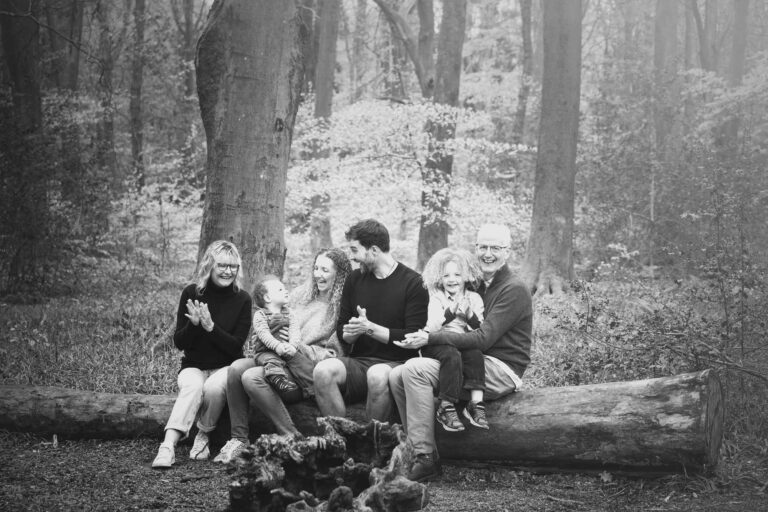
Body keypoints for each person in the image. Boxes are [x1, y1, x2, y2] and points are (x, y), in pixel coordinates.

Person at [390, 224, 533, 482]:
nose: (488, 254)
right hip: (470, 360)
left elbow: (483, 339)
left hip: (500, 368)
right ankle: (414, 449)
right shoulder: (475, 284)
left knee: (413, 370)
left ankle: (426, 459)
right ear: (475, 249)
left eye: (495, 248)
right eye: (483, 247)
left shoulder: (514, 289)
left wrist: (430, 338)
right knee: (397, 375)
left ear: (508, 252)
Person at [214, 248, 352, 463]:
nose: (318, 274)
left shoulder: (341, 308)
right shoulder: (298, 296)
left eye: (325, 270)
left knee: (251, 377)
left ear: (340, 274)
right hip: (276, 355)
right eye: (316, 268)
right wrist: (267, 338)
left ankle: (291, 436)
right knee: (236, 368)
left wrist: (299, 347)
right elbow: (268, 318)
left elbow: (334, 354)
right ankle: (239, 439)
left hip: (303, 371)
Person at [312, 219, 429, 423]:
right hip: (359, 363)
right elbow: (342, 331)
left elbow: (411, 337)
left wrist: (370, 329)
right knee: (323, 371)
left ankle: (372, 444)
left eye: (355, 250)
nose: (352, 257)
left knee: (377, 374)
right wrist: (352, 333)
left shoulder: (413, 283)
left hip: (397, 363)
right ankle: (341, 441)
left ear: (374, 250)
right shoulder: (355, 279)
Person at [152, 240, 253, 469]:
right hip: (193, 366)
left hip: (227, 367)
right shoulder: (192, 292)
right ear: (210, 265)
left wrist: (210, 328)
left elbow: (235, 346)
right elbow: (179, 342)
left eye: (233, 266)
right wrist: (195, 326)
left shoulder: (242, 299)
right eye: (222, 265)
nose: (228, 271)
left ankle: (203, 435)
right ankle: (167, 446)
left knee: (213, 387)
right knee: (193, 387)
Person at [418, 248, 487, 432]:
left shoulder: (474, 298)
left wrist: (469, 314)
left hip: (461, 341)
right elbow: (432, 328)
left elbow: (479, 329)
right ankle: (446, 405)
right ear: (439, 278)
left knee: (475, 354)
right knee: (451, 355)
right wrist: (450, 313)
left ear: (466, 276)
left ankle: (476, 404)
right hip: (436, 343)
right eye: (446, 275)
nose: (452, 279)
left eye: (457, 274)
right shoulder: (437, 297)